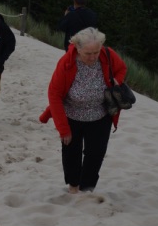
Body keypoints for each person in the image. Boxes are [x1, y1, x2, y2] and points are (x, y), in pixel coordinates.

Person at [39, 26, 128, 193]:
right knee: (71, 152)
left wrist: (117, 80)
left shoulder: (107, 54)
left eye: (96, 52)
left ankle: (87, 189)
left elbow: (122, 68)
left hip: (101, 115)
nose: (93, 57)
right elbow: (54, 95)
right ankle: (73, 186)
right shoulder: (66, 62)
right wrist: (63, 129)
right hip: (72, 115)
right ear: (77, 48)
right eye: (88, 53)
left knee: (96, 154)